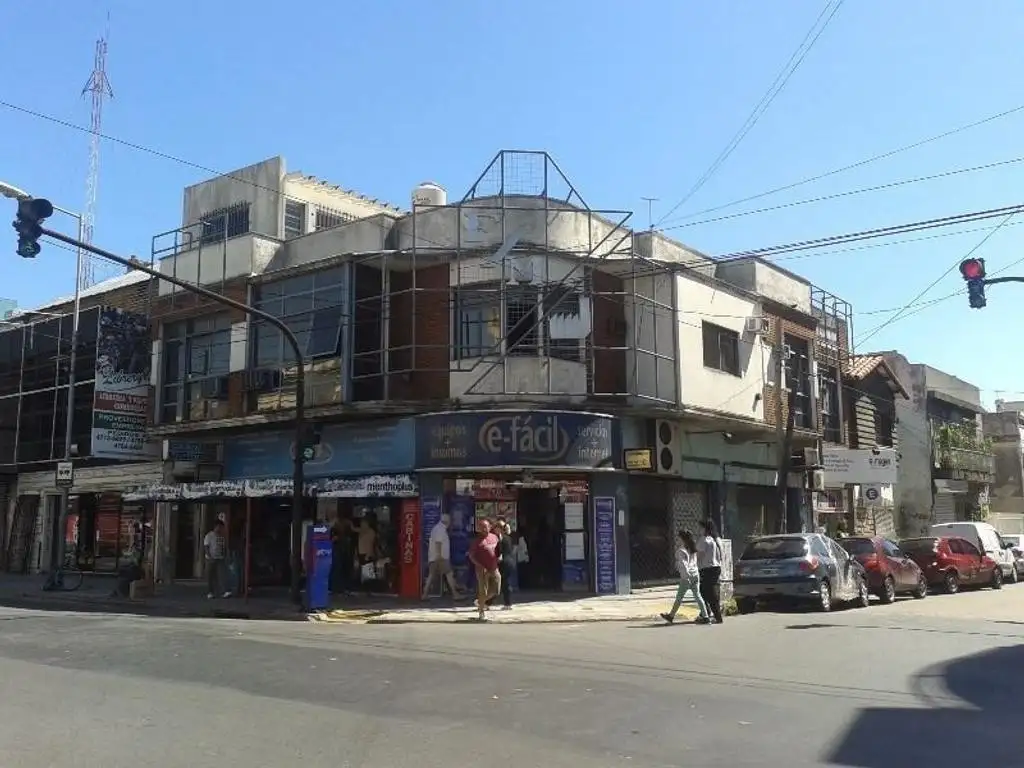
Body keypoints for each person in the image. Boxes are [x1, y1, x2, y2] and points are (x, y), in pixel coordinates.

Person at [661, 530, 709, 625]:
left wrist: (685, 577)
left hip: (687, 577)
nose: (677, 540)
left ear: (682, 539)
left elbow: (683, 565)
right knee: (698, 596)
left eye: (678, 538)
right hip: (695, 574)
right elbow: (694, 562)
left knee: (679, 597)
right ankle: (706, 616)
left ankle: (671, 616)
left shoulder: (681, 550)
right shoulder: (692, 548)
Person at [422, 512, 463, 599]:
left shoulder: (437, 528)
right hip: (441, 557)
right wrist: (439, 556)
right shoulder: (440, 529)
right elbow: (438, 543)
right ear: (447, 521)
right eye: (449, 521)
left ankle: (424, 594)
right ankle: (455, 594)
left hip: (435, 557)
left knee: (431, 575)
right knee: (449, 574)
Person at [468, 519, 501, 621]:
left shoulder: (494, 537)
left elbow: (499, 549)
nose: (483, 529)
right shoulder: (476, 542)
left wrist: (500, 556)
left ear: (489, 527)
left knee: (497, 589)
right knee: (483, 590)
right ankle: (481, 612)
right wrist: (479, 565)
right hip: (482, 569)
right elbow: (471, 556)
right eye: (481, 527)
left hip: (494, 567)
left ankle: (480, 601)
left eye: (485, 527)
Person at [696, 519, 724, 624]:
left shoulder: (704, 540)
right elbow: (721, 555)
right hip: (716, 568)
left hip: (706, 569)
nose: (699, 530)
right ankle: (708, 614)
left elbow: (699, 555)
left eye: (700, 527)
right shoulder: (717, 539)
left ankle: (709, 615)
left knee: (704, 592)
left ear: (705, 528)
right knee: (709, 592)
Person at [203, 520, 231, 599]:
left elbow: (223, 547)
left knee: (222, 574)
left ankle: (224, 591)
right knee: (210, 576)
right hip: (211, 558)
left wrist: (225, 555)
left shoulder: (221, 536)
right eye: (220, 527)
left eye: (222, 527)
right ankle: (210, 592)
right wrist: (209, 556)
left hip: (220, 558)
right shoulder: (209, 536)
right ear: (216, 527)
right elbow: (206, 547)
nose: (221, 529)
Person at [493, 519, 515, 610]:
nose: (494, 530)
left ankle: (507, 604)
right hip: (510, 562)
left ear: (499, 529)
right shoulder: (508, 538)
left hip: (504, 563)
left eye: (495, 528)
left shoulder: (500, 539)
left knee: (500, 583)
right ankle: (507, 603)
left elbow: (500, 553)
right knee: (505, 583)